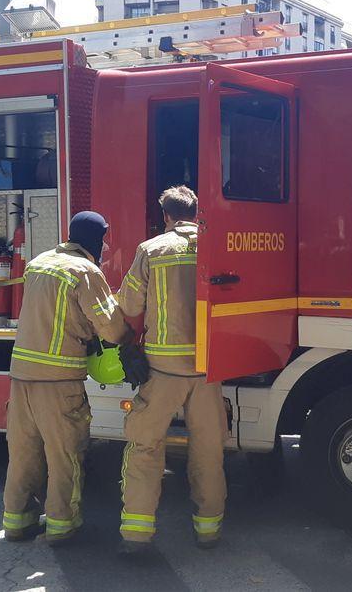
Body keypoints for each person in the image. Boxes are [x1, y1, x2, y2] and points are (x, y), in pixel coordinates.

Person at [3, 211, 131, 545]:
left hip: (21, 377)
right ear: (94, 239)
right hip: (59, 381)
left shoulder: (39, 262)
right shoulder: (85, 271)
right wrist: (128, 338)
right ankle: (62, 525)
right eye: (102, 239)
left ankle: (17, 522)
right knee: (65, 456)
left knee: (23, 454)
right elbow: (109, 325)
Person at [115, 186, 226, 555]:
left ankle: (137, 536)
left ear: (165, 215)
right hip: (207, 372)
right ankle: (208, 531)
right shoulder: (217, 246)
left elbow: (129, 303)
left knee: (145, 448)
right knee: (208, 452)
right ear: (196, 212)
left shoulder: (151, 250)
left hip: (162, 372)